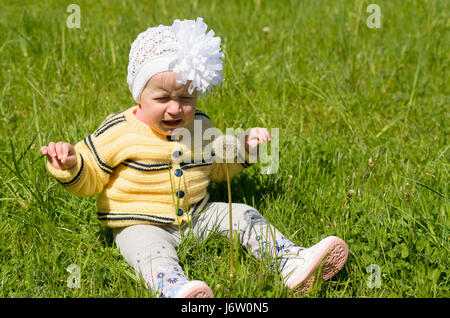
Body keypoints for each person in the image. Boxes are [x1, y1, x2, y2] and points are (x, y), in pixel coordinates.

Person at [40, 17, 349, 298]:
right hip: (140, 223)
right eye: (162, 99)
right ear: (138, 95)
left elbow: (214, 169)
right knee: (151, 252)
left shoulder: (200, 125)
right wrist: (71, 163)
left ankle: (291, 260)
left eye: (185, 98)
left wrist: (245, 149)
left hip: (198, 215)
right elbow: (92, 175)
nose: (175, 108)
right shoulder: (120, 131)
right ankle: (174, 289)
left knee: (242, 213)